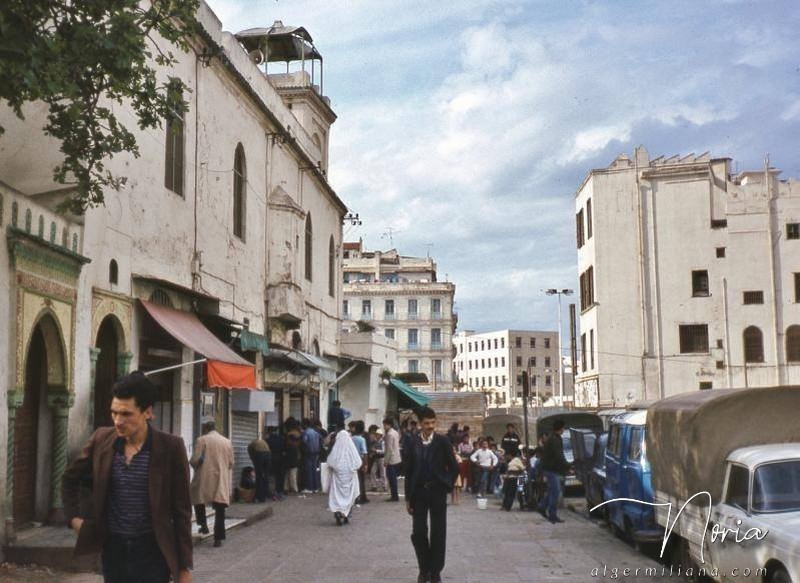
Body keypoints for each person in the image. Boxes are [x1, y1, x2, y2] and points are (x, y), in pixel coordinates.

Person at [62, 371, 193, 583]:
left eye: (126, 414)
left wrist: (184, 568)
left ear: (148, 412)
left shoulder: (170, 448)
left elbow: (182, 512)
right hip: (114, 551)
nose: (118, 421)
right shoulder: (102, 440)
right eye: (114, 413)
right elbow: (70, 479)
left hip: (153, 554)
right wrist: (73, 519)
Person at [405, 407, 458, 583]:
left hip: (437, 492)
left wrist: (446, 485)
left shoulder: (442, 441)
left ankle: (435, 572)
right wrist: (408, 498)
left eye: (433, 423)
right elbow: (409, 471)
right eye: (426, 423)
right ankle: (424, 568)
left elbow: (454, 467)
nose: (430, 426)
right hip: (419, 493)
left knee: (438, 532)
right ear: (420, 424)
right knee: (418, 532)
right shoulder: (412, 442)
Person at [190, 420, 234, 548]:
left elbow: (195, 460)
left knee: (198, 499)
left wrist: (195, 465)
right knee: (220, 508)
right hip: (220, 478)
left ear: (205, 429)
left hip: (204, 476)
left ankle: (203, 525)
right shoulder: (226, 442)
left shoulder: (201, 440)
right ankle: (218, 538)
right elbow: (231, 462)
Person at [326, 426, 363, 526]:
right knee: (349, 496)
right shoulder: (352, 450)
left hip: (338, 480)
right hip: (350, 479)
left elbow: (330, 462)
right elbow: (358, 463)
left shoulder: (336, 451)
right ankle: (347, 515)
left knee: (337, 496)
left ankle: (338, 513)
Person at [538, 420, 571, 524]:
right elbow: (558, 455)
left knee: (552, 490)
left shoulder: (554, 438)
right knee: (555, 491)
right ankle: (552, 515)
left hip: (551, 468)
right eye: (563, 428)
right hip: (551, 469)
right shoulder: (554, 440)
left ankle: (542, 507)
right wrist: (567, 465)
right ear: (560, 429)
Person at [247, 431, 272, 502]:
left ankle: (260, 497)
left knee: (259, 476)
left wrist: (254, 461)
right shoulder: (262, 442)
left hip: (260, 454)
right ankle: (266, 493)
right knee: (266, 475)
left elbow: (251, 455)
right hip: (268, 455)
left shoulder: (250, 445)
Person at [383, 416, 402, 501]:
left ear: (389, 425)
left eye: (385, 425)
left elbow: (389, 449)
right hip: (396, 458)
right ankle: (394, 495)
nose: (384, 426)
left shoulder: (390, 434)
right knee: (393, 478)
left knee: (391, 478)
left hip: (391, 459)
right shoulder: (395, 432)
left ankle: (394, 496)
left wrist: (386, 460)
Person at [301, 418, 323, 493]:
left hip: (308, 453)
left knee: (308, 470)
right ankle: (315, 488)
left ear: (305, 424)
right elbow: (321, 440)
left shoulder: (305, 432)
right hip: (316, 453)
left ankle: (309, 488)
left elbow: (304, 441)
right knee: (314, 470)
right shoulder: (316, 432)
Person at [350, 420, 369, 504]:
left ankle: (355, 497)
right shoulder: (362, 439)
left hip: (352, 461)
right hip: (360, 461)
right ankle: (361, 497)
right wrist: (365, 464)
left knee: (355, 480)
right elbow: (364, 453)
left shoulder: (351, 439)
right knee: (361, 480)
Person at [266, 426, 286, 500]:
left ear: (269, 431)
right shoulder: (281, 439)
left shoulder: (267, 440)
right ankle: (280, 492)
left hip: (271, 460)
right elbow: (285, 449)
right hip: (281, 460)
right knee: (280, 477)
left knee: (272, 477)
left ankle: (272, 493)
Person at [284, 420, 302, 494]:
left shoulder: (290, 435)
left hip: (291, 461)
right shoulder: (299, 434)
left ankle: (290, 488)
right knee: (293, 475)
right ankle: (293, 489)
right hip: (294, 461)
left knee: (290, 475)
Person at [368, 425, 386, 492]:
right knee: (373, 471)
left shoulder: (382, 442)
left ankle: (384, 485)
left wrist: (376, 451)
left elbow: (384, 451)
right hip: (376, 458)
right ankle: (374, 485)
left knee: (383, 472)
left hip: (381, 458)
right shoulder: (375, 442)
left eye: (377, 434)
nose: (376, 436)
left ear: (380, 435)